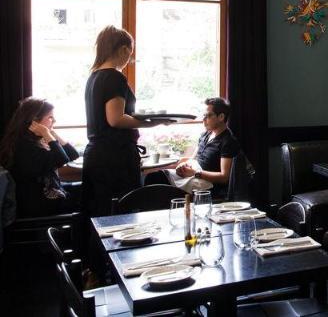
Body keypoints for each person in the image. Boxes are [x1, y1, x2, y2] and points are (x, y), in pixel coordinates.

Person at [83, 26, 157, 216]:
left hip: (96, 155)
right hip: (115, 157)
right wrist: (150, 123)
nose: (129, 59)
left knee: (99, 213)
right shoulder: (114, 77)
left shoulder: (94, 77)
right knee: (121, 215)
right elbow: (115, 119)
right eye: (130, 54)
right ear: (124, 49)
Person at [0, 98, 79, 217]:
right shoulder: (24, 146)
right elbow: (62, 159)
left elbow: (73, 154)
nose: (54, 120)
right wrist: (46, 133)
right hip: (39, 205)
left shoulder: (34, 141)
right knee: (88, 199)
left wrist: (52, 133)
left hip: (50, 195)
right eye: (50, 117)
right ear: (34, 121)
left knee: (87, 190)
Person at [174, 97, 240, 198]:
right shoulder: (205, 135)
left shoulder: (228, 141)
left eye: (208, 115)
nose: (204, 119)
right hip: (195, 176)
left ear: (221, 117)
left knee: (165, 187)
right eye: (204, 115)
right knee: (157, 176)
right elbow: (193, 159)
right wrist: (183, 165)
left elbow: (224, 177)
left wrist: (195, 173)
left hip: (209, 186)